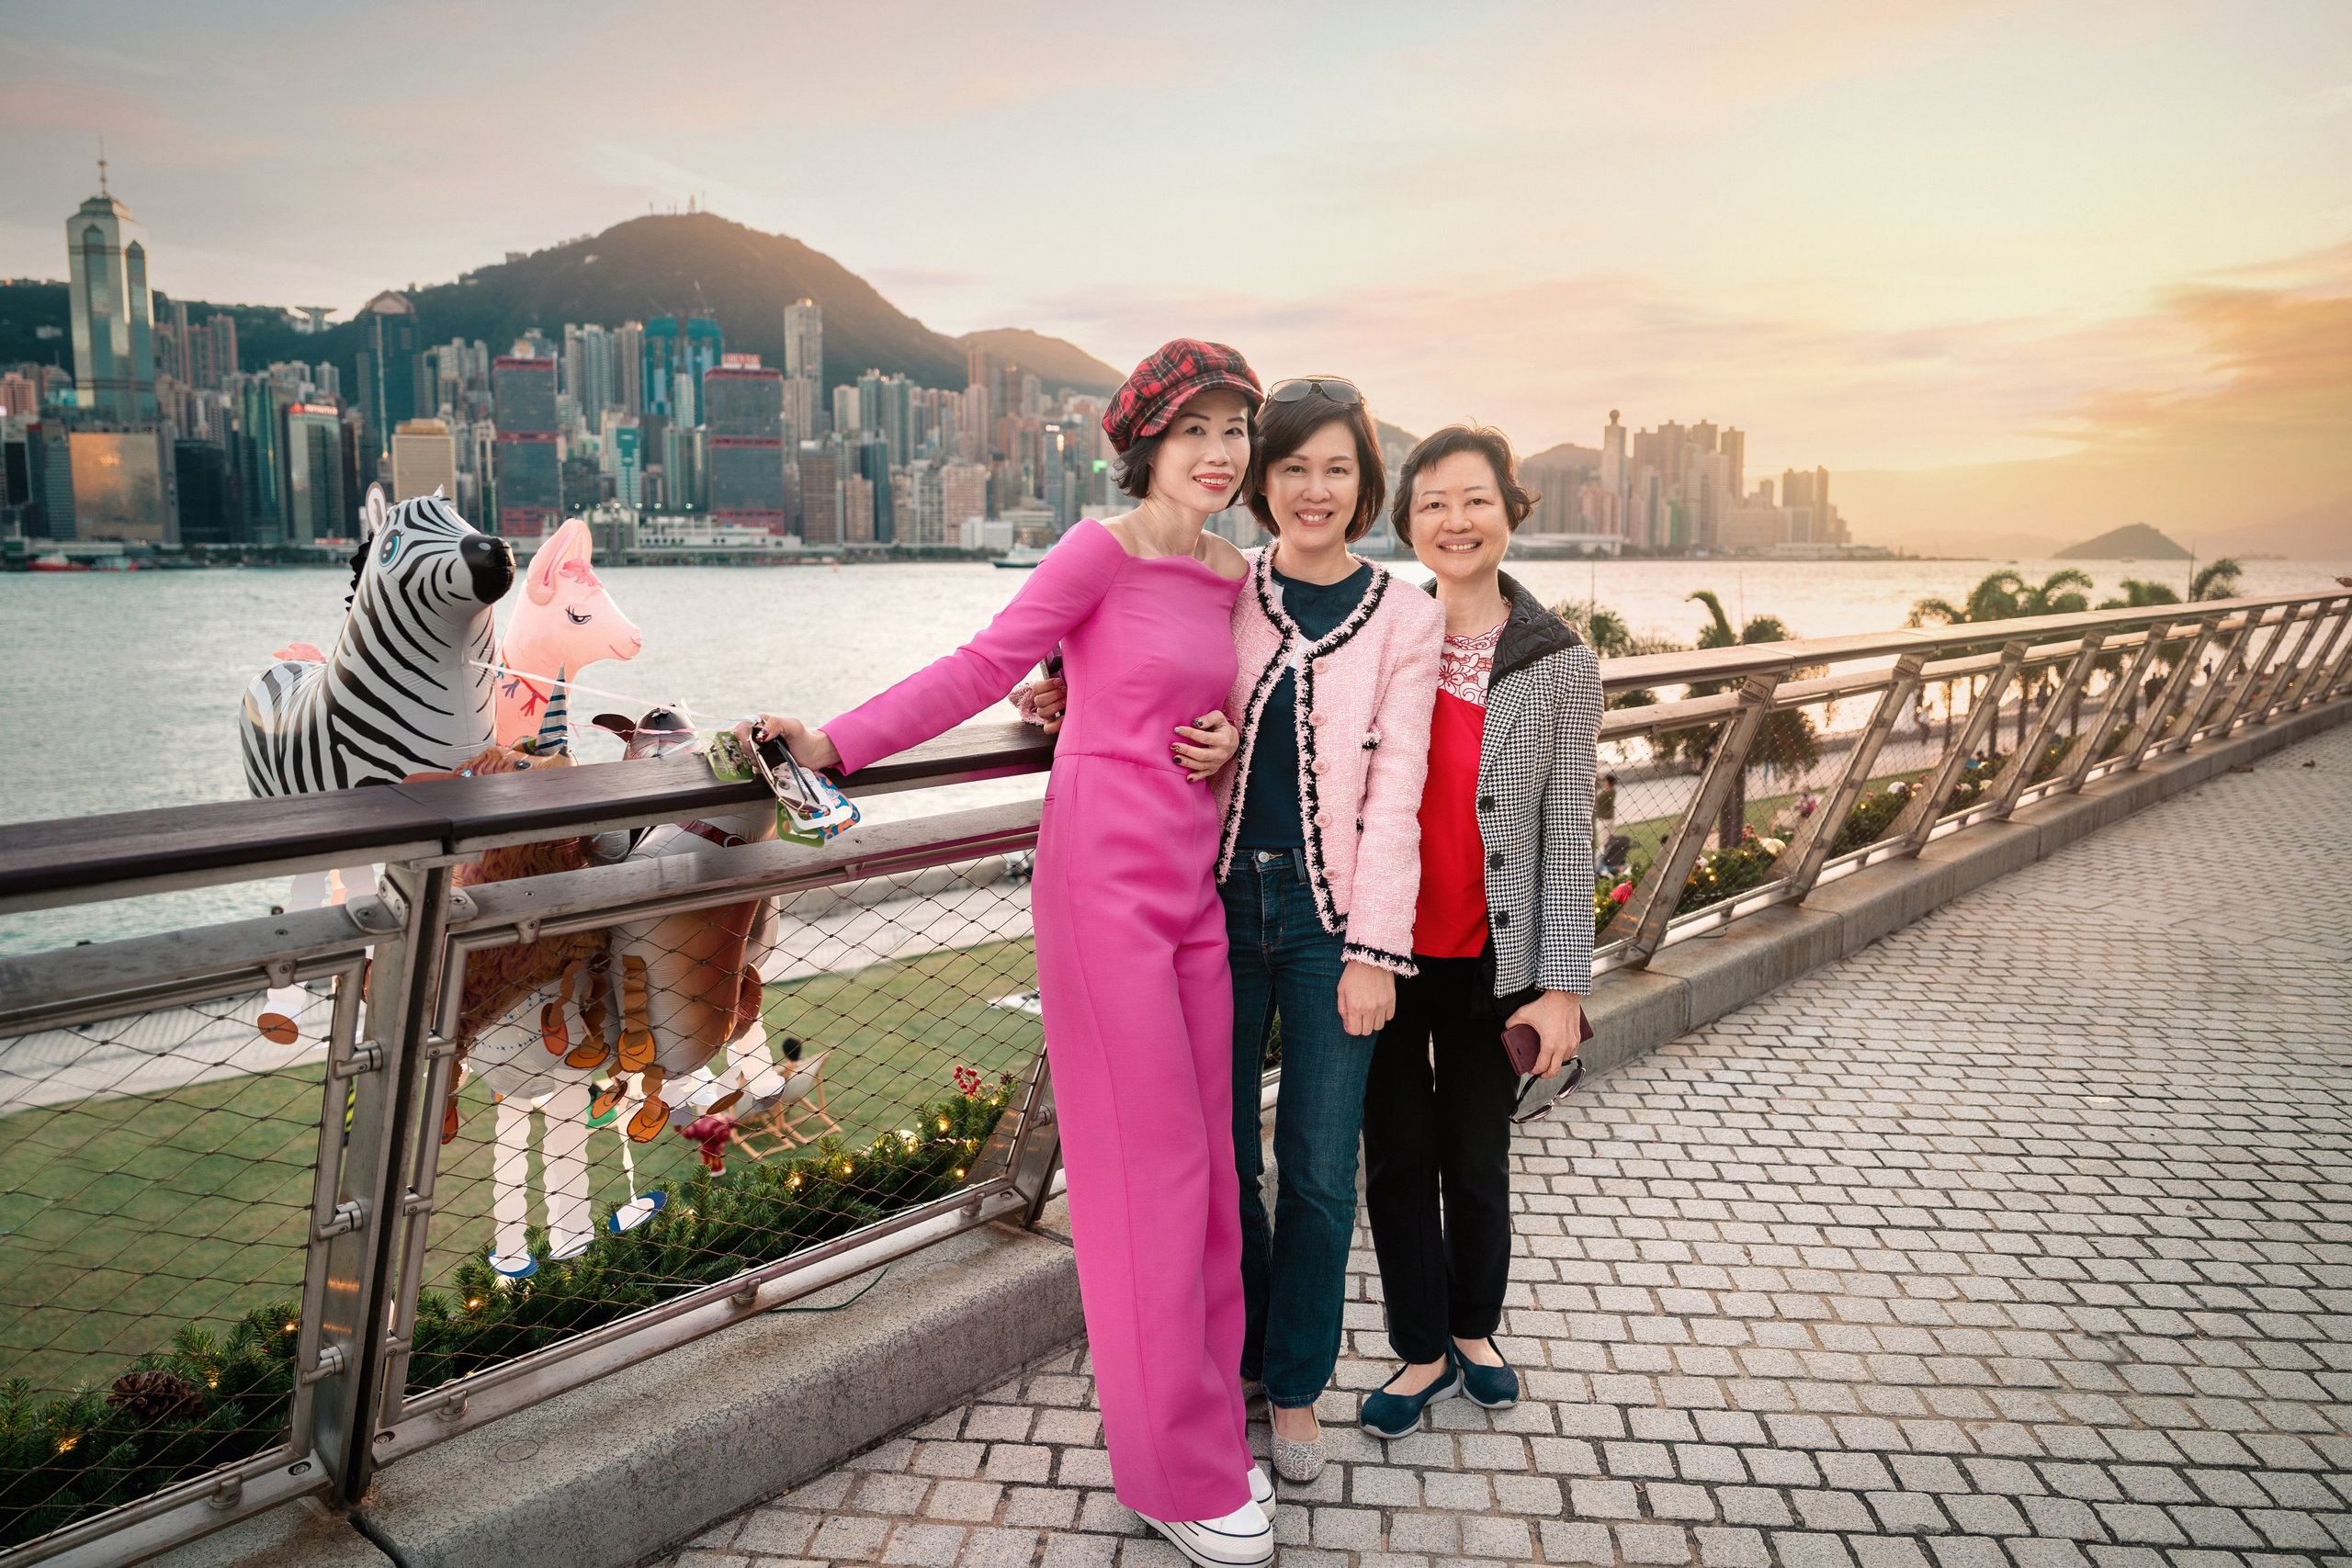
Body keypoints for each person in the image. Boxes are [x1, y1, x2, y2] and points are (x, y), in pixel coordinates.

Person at [736, 340, 1272, 1568]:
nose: (1220, 450)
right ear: (1145, 445)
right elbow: (984, 663)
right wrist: (832, 739)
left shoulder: (1233, 572)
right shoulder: (1096, 551)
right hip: (1101, 892)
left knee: (1210, 1173)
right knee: (1147, 1180)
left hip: (1197, 888)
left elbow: (1243, 694)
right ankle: (1171, 1473)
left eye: (1235, 427)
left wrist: (1228, 734)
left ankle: (1214, 1424)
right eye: (1196, 427)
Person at [1208, 376, 1442, 1482]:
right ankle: (1242, 1358)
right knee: (1214, 1156)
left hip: (1327, 915)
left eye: (1336, 468)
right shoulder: (1219, 584)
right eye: (1292, 466)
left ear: (1366, 485)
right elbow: (1144, 690)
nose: (1314, 489)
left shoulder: (1405, 612)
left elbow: (1399, 789)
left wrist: (1372, 952)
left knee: (1311, 1164)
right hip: (1207, 903)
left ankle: (1294, 1385)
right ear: (1261, 480)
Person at [1356, 423, 1603, 1440]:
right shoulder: (1377, 634)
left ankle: (1475, 1330)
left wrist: (1563, 986)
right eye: (1431, 505)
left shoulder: (1557, 660)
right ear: (1406, 522)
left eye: (1474, 500)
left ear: (1510, 511)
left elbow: (1566, 834)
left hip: (1490, 961)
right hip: (1376, 952)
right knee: (1397, 1156)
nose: (1454, 522)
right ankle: (1418, 1350)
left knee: (1477, 1151)